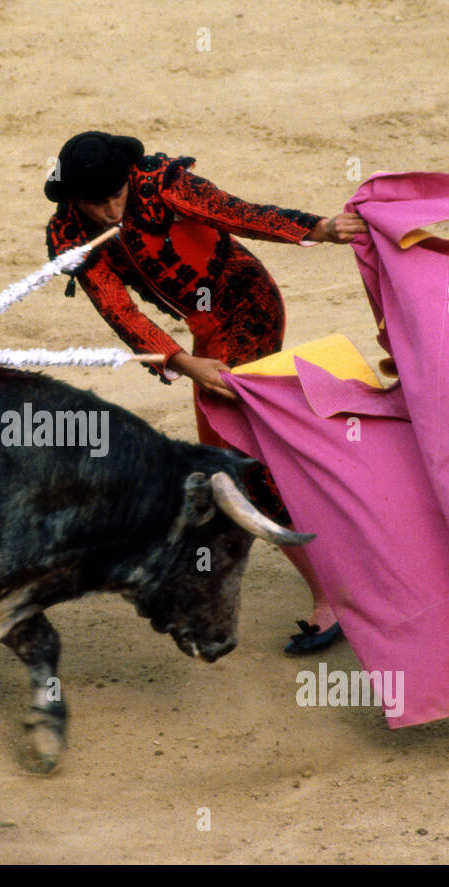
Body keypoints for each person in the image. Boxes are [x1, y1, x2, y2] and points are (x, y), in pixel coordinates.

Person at [44, 131, 367, 654]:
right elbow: (119, 311)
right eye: (94, 201)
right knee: (246, 457)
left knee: (236, 462)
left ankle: (334, 593)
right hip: (203, 336)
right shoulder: (68, 236)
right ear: (72, 199)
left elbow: (238, 214)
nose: (108, 210)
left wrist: (320, 228)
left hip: (246, 305)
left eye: (115, 195)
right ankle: (348, 543)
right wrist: (186, 363)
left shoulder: (160, 183)